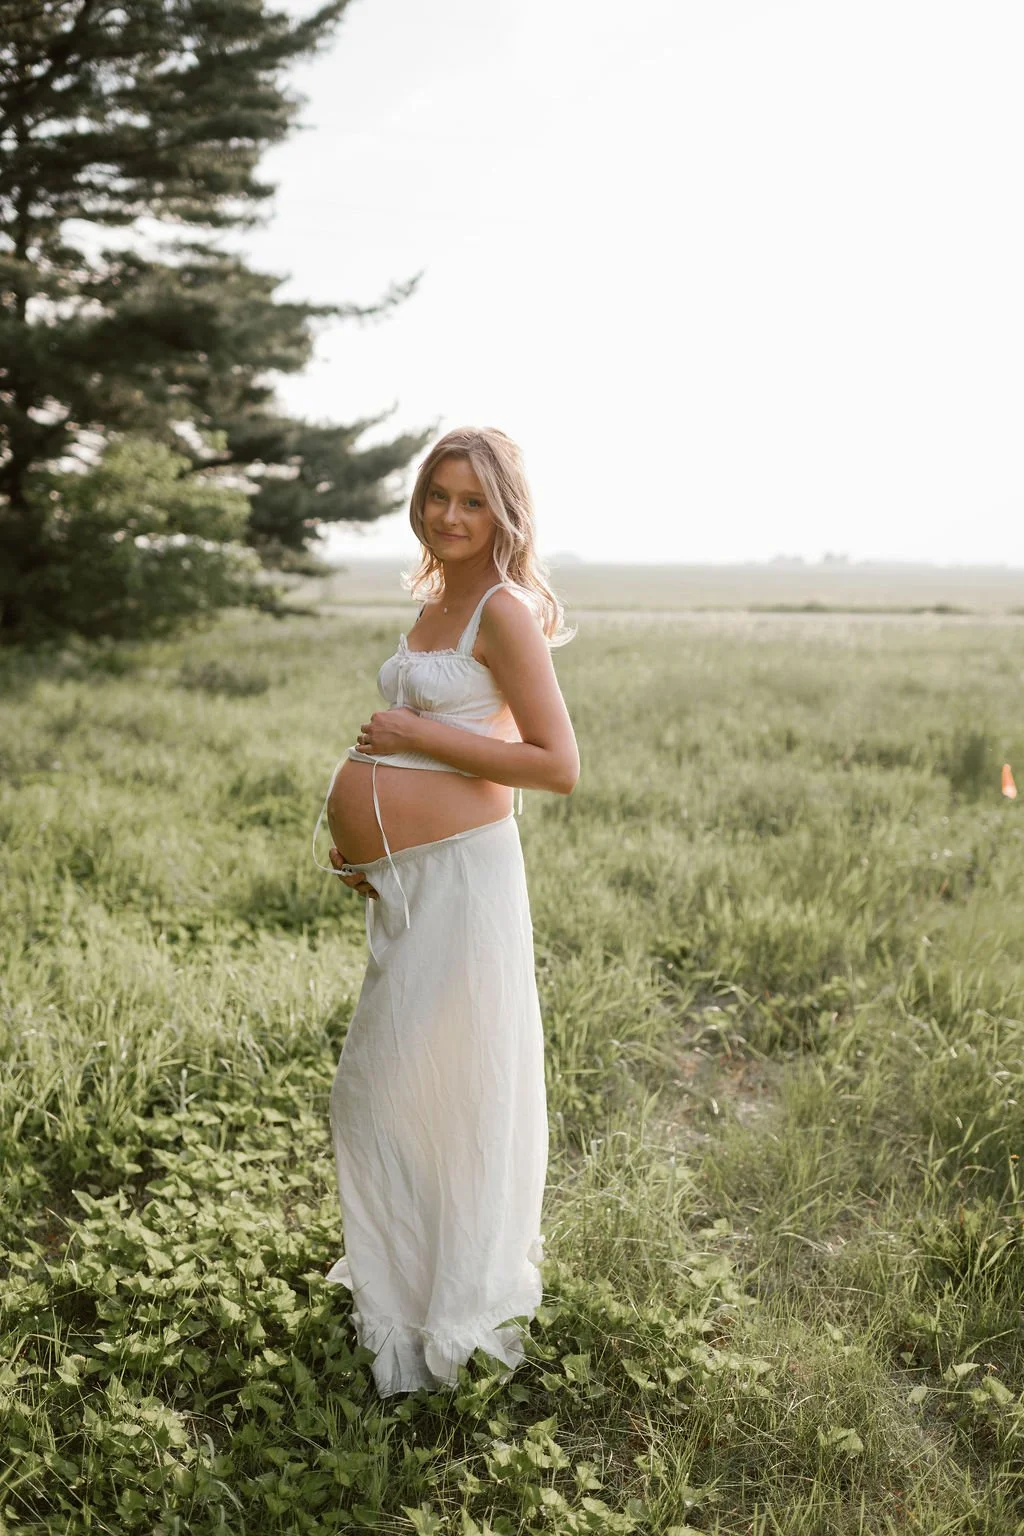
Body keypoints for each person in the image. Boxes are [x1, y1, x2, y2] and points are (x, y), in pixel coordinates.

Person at [311, 425, 580, 1398]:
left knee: (422, 1085)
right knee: (399, 1084)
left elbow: (555, 765)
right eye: (436, 496)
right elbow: (413, 753)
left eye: (471, 501)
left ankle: (449, 1296)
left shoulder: (502, 611)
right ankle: (401, 1272)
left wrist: (413, 734)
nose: (449, 516)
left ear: (502, 510)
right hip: (408, 880)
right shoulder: (434, 601)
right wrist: (357, 842)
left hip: (465, 878)